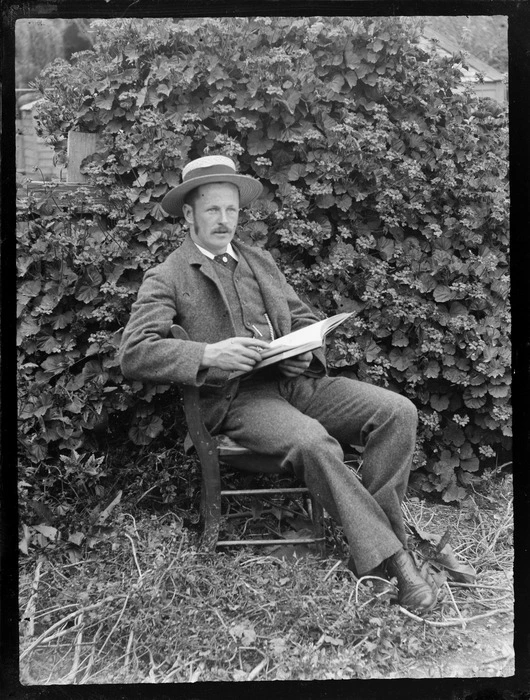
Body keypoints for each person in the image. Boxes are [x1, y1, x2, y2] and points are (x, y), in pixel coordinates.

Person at [119, 155, 437, 612]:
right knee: (313, 442)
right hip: (239, 399)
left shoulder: (258, 260)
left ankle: (380, 540)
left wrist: (305, 353)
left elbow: (304, 317)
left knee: (397, 411)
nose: (224, 220)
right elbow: (134, 352)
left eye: (231, 210)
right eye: (212, 210)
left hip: (295, 383)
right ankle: (395, 561)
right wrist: (209, 354)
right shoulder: (168, 275)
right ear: (188, 214)